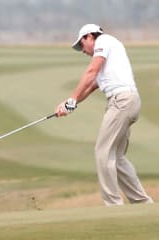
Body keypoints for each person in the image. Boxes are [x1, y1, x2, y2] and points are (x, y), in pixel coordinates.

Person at [55, 24, 153, 206]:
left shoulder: (104, 41)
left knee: (103, 152)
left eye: (82, 45)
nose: (83, 51)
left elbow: (91, 72)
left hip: (122, 102)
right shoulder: (109, 58)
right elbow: (91, 86)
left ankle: (113, 205)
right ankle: (143, 203)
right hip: (128, 102)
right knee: (117, 157)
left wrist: (71, 99)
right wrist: (70, 105)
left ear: (89, 37)